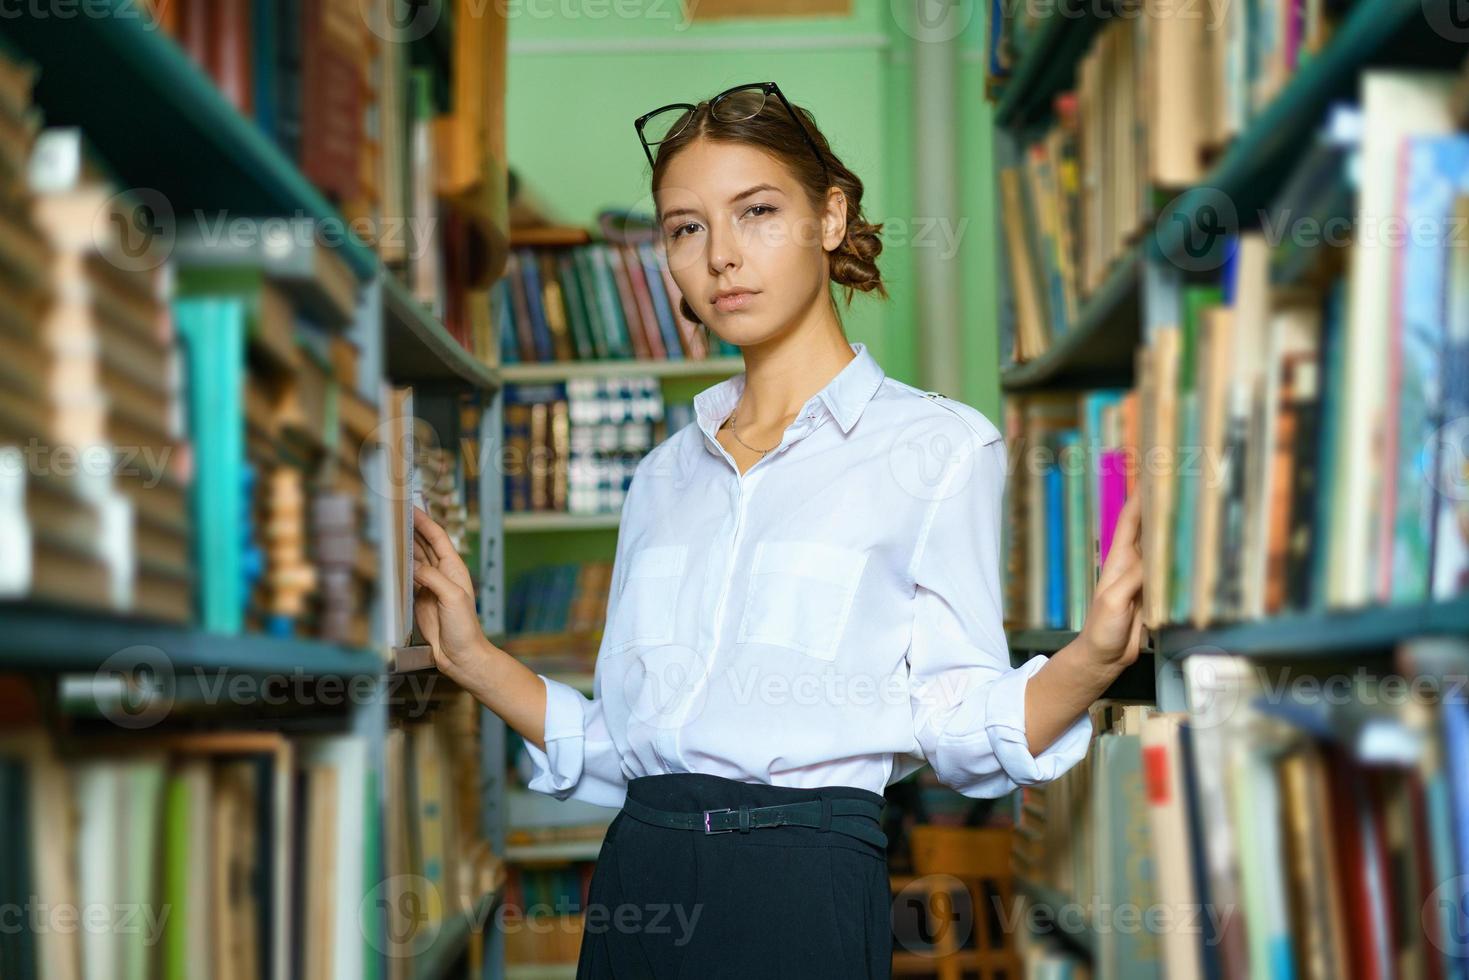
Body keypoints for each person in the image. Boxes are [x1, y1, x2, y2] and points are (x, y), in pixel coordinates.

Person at [410, 80, 1146, 979]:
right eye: (685, 227)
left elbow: (955, 720)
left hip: (803, 882)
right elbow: (621, 748)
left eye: (755, 211)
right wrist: (474, 657)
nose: (720, 255)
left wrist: (1093, 661)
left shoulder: (938, 447)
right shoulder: (660, 477)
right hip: (638, 871)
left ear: (830, 217)